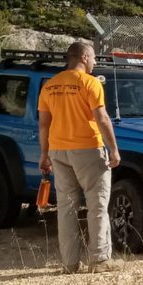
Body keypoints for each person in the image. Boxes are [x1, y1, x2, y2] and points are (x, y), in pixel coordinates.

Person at [37, 41, 122, 273]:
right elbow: (102, 118)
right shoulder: (90, 83)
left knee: (66, 208)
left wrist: (44, 155)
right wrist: (113, 148)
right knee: (97, 204)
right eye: (93, 57)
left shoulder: (50, 85)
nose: (95, 62)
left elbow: (44, 125)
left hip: (58, 151)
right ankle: (100, 259)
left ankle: (70, 263)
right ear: (84, 57)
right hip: (87, 150)